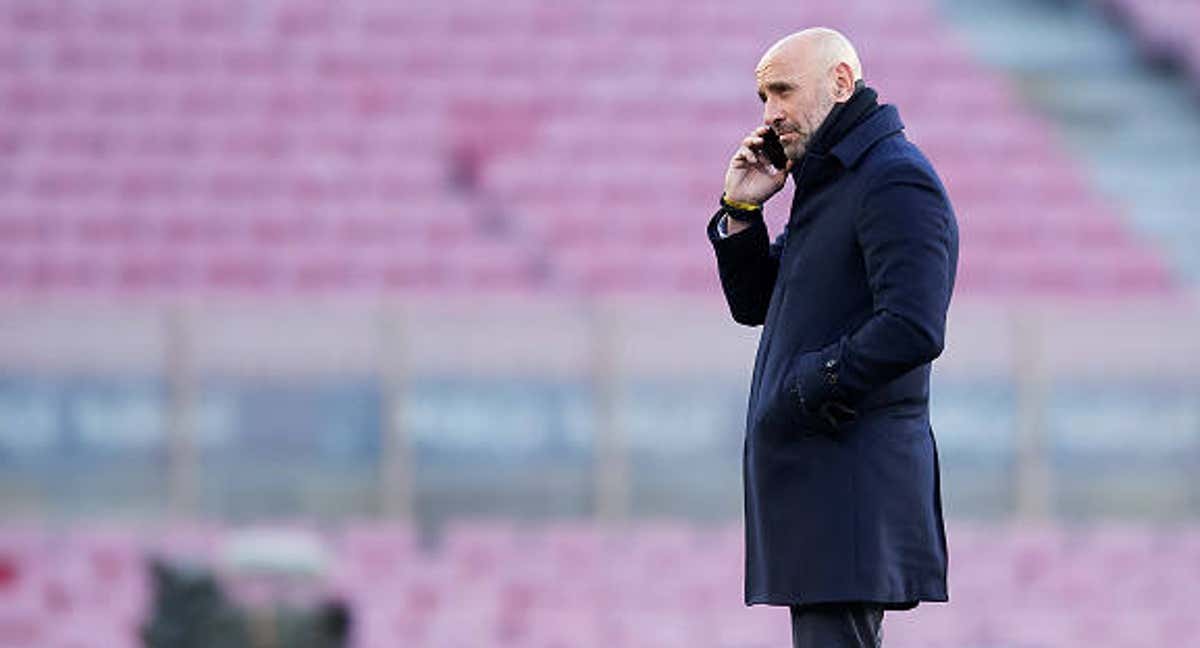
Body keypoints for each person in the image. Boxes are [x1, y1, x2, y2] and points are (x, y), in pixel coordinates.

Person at [707, 28, 959, 648]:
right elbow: (757, 304)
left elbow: (914, 325)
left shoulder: (894, 179)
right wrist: (741, 214)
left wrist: (807, 387)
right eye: (764, 96)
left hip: (850, 485)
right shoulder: (833, 183)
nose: (770, 114)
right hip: (824, 485)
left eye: (783, 91)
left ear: (841, 83)